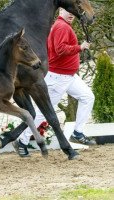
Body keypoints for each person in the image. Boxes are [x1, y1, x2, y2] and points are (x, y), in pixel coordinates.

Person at [13, 8, 96, 157]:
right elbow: (60, 49)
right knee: (42, 113)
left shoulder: (62, 26)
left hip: (69, 76)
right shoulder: (61, 26)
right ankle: (21, 141)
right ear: (60, 11)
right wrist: (80, 47)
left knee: (88, 97)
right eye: (67, 11)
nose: (71, 14)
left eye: (72, 12)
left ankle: (78, 133)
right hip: (58, 77)